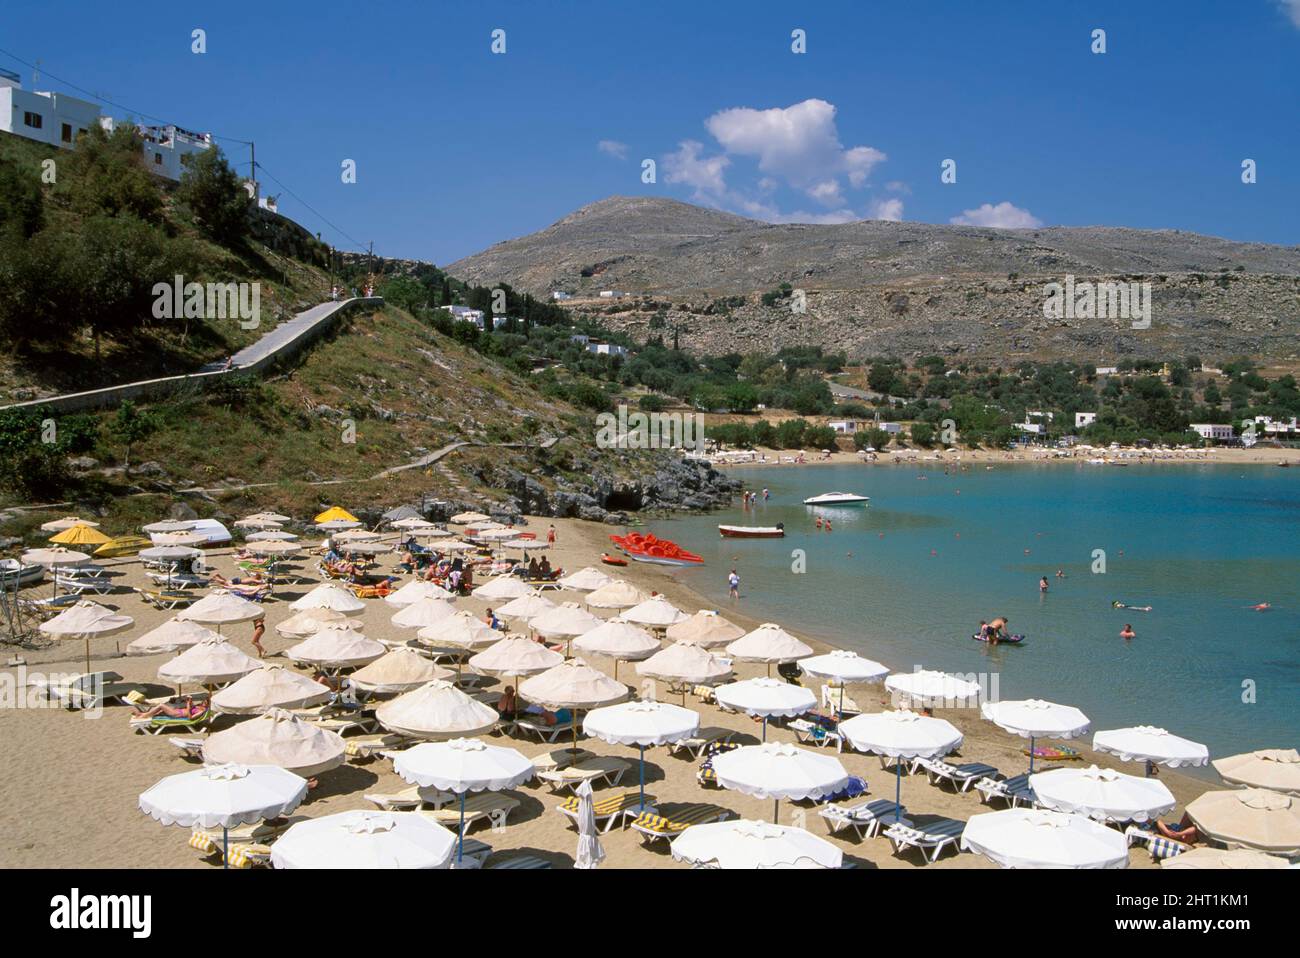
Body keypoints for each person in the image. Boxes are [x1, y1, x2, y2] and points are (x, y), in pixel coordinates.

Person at [131, 695, 205, 720]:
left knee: (161, 706)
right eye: (203, 701)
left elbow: (190, 718)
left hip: (177, 714)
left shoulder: (201, 711)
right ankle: (143, 714)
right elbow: (191, 707)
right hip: (177, 711)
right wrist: (189, 701)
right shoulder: (199, 706)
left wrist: (188, 707)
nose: (203, 702)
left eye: (205, 702)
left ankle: (144, 715)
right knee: (160, 710)